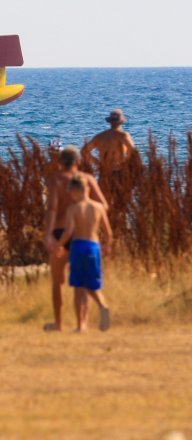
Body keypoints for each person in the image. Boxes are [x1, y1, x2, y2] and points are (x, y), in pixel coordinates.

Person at [43, 146, 108, 332]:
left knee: (58, 281)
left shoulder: (55, 181)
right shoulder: (87, 179)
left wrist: (48, 234)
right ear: (78, 161)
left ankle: (58, 323)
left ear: (60, 162)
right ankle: (83, 323)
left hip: (59, 232)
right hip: (81, 235)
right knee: (82, 280)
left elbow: (52, 210)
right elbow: (104, 205)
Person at [55, 175, 113, 332]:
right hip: (93, 246)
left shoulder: (73, 209)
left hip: (78, 246)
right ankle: (102, 305)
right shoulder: (99, 207)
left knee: (78, 287)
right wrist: (107, 246)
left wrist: (59, 246)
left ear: (74, 191)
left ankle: (81, 325)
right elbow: (108, 232)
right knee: (92, 283)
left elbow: (68, 231)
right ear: (87, 189)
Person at [81, 109, 136, 175]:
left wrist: (97, 163)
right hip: (120, 171)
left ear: (110, 121)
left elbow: (84, 151)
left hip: (104, 171)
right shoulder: (123, 136)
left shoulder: (99, 137)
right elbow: (133, 152)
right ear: (122, 121)